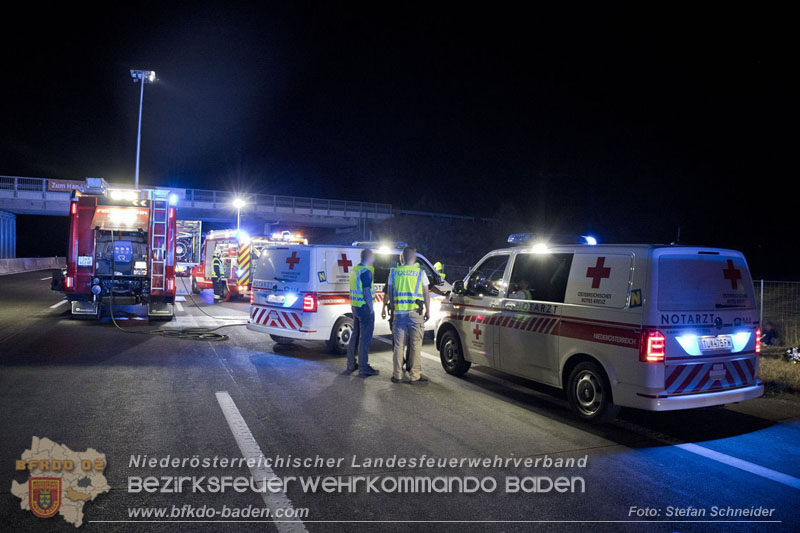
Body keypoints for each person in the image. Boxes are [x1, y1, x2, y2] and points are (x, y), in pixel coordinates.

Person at [388, 247, 430, 384]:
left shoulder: (393, 273)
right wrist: (428, 310)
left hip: (399, 314)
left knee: (398, 346)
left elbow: (391, 294)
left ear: (402, 258)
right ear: (414, 258)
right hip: (415, 314)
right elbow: (426, 294)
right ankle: (415, 376)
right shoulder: (420, 273)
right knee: (415, 345)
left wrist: (393, 312)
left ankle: (397, 375)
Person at [346, 249, 379, 377]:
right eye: (373, 257)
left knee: (355, 335)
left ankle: (351, 364)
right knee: (365, 339)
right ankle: (364, 367)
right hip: (364, 308)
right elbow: (366, 293)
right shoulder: (366, 272)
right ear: (369, 257)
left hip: (355, 307)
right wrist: (371, 310)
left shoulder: (355, 270)